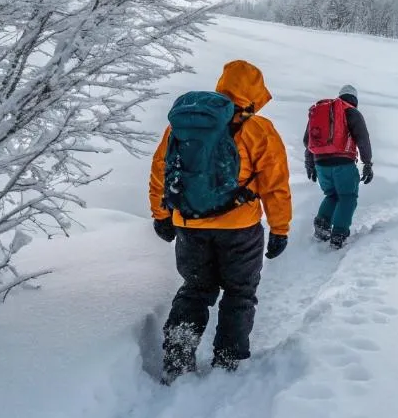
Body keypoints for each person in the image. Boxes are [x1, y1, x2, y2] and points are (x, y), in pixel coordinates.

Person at [148, 59, 293, 383]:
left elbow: (161, 170)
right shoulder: (259, 129)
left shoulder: (184, 125)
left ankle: (178, 358)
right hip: (240, 229)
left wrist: (161, 215)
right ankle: (228, 359)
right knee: (239, 293)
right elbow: (275, 185)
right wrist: (280, 228)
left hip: (189, 225)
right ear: (255, 92)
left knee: (195, 290)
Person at [304, 84, 373, 248]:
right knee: (347, 197)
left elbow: (308, 141)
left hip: (320, 164)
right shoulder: (352, 112)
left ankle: (322, 226)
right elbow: (363, 139)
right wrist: (367, 163)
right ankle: (338, 234)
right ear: (355, 100)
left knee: (332, 195)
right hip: (343, 163)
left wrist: (310, 164)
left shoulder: (323, 111)